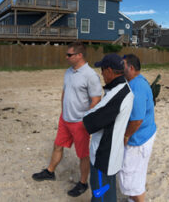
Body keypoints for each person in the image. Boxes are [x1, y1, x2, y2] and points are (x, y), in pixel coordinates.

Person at [31, 42, 103, 198]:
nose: (66, 57)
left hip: (80, 122)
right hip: (65, 119)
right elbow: (65, 92)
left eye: (69, 55)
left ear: (79, 55)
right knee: (57, 145)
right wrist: (63, 112)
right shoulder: (68, 72)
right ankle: (50, 172)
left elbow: (96, 100)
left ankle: (83, 183)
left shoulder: (90, 75)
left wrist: (86, 120)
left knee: (83, 155)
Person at [83, 53, 134, 202]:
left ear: (110, 71)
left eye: (103, 69)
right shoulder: (122, 88)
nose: (101, 73)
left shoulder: (117, 95)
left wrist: (88, 113)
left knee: (100, 193)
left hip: (103, 157)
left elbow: (90, 121)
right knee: (107, 190)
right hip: (112, 154)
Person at [119, 54, 156, 202]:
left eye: (123, 67)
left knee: (131, 180)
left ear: (131, 68)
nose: (121, 70)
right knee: (136, 175)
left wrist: (126, 136)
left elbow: (137, 120)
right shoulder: (138, 80)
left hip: (139, 139)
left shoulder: (137, 86)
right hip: (146, 133)